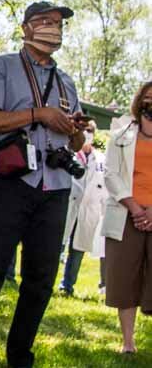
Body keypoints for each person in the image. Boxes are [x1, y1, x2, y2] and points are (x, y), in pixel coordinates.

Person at [0, 2, 88, 367]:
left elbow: (76, 143)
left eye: (58, 24)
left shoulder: (67, 82)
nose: (52, 28)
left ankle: (19, 356)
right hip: (13, 180)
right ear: (26, 28)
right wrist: (38, 114)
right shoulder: (4, 67)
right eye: (44, 21)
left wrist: (75, 130)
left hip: (55, 185)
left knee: (41, 278)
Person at [103, 81, 152, 354]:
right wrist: (135, 207)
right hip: (125, 213)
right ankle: (128, 343)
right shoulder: (122, 132)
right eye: (147, 98)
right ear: (139, 101)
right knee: (125, 278)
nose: (150, 103)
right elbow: (110, 172)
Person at [59, 121, 107, 296]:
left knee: (77, 250)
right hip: (70, 205)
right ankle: (45, 279)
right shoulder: (69, 153)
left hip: (89, 209)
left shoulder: (101, 159)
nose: (88, 133)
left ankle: (67, 286)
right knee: (57, 244)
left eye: (91, 131)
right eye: (85, 130)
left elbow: (105, 187)